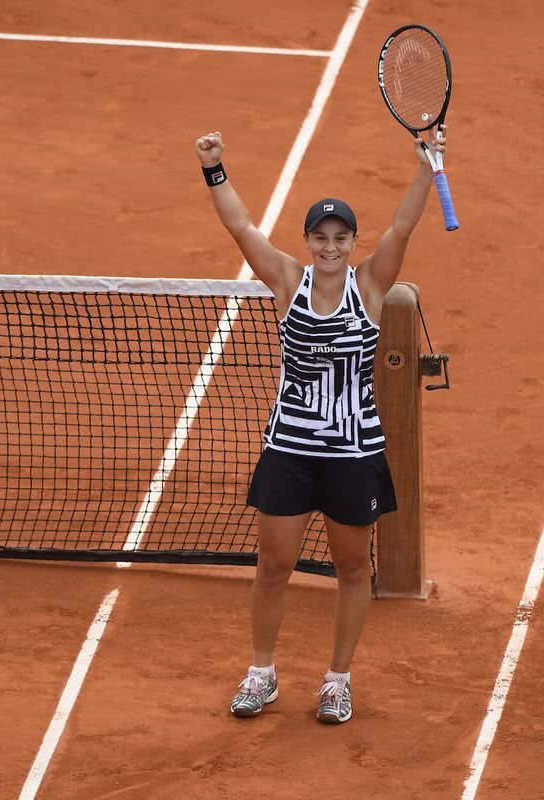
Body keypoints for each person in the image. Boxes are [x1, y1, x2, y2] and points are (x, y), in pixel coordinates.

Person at [194, 124, 447, 724]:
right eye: (320, 236)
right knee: (274, 566)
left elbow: (404, 226)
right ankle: (262, 672)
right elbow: (241, 226)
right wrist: (214, 167)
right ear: (308, 240)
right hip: (290, 449)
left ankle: (338, 679)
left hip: (354, 453)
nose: (330, 246)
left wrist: (427, 166)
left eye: (340, 237)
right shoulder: (286, 280)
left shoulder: (373, 285)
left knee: (353, 569)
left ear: (353, 241)